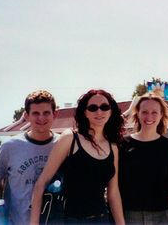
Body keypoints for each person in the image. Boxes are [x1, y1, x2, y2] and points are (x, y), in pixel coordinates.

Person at [30, 89, 125, 224]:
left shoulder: (113, 147)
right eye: (93, 108)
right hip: (69, 219)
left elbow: (113, 193)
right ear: (85, 112)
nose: (99, 112)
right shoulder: (70, 138)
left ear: (111, 111)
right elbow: (42, 183)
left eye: (104, 107)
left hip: (102, 220)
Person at [0, 90, 59, 225]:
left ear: (55, 114)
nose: (41, 118)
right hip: (16, 221)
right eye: (35, 113)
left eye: (46, 113)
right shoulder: (10, 146)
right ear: (27, 116)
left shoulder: (63, 145)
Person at [119, 92, 168, 225]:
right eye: (144, 112)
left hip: (162, 217)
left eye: (154, 112)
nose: (149, 116)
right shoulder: (123, 144)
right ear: (137, 114)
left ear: (161, 115)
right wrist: (128, 110)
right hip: (128, 216)